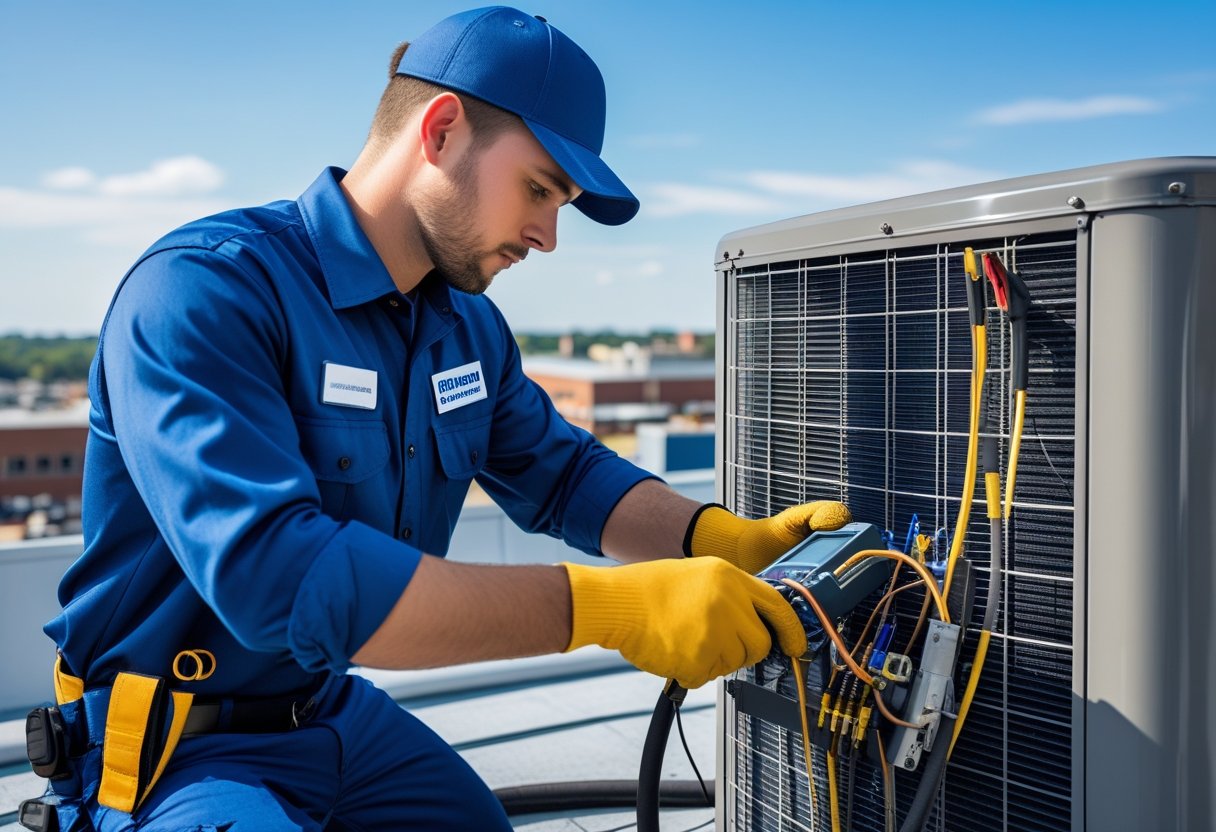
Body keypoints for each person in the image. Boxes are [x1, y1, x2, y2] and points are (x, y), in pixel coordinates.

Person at [36, 7, 850, 830]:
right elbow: (281, 579)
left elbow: (564, 476)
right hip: (169, 747)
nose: (547, 235)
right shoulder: (207, 291)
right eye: (539, 189)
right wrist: (613, 610)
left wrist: (719, 539)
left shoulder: (463, 328)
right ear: (442, 129)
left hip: (325, 711)